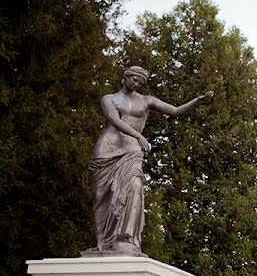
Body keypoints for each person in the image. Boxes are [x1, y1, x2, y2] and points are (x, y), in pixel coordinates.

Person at [86, 66, 213, 256]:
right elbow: (113, 119)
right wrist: (139, 135)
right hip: (107, 148)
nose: (136, 84)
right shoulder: (109, 98)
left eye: (141, 83)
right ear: (125, 77)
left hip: (130, 150)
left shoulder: (146, 101)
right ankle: (103, 242)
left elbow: (176, 111)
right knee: (100, 197)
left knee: (135, 186)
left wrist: (198, 100)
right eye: (134, 80)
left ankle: (125, 238)